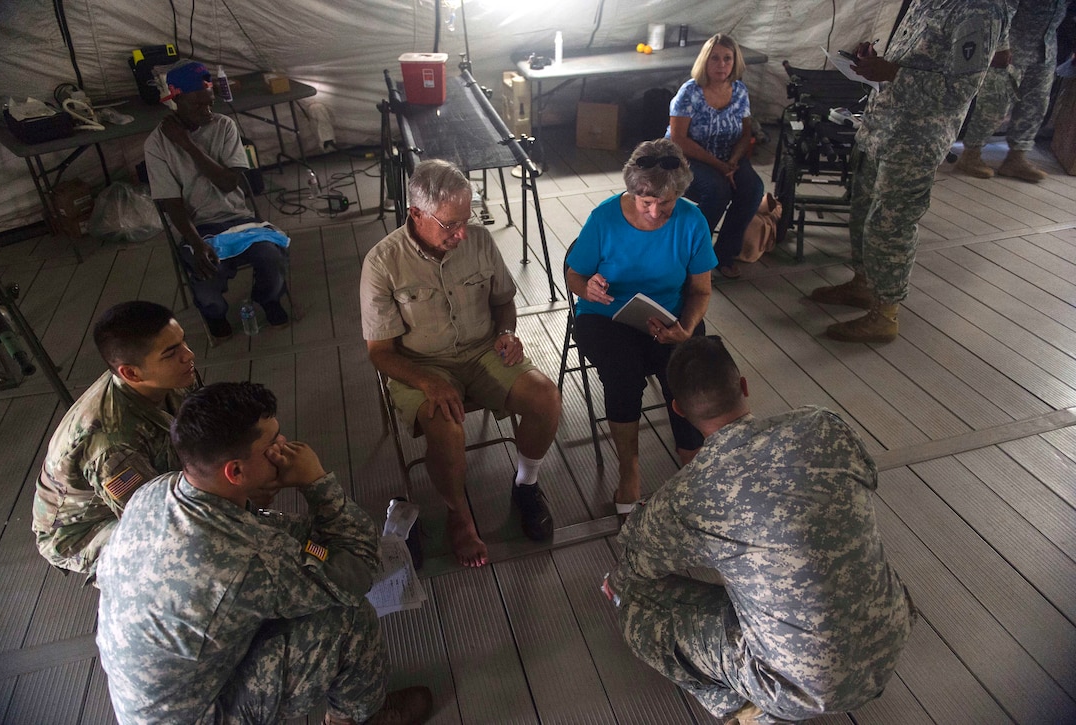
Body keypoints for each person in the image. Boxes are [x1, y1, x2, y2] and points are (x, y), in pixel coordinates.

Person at [604, 336, 915, 723]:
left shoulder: (690, 492)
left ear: (678, 409)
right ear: (745, 385)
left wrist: (620, 583)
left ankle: (748, 711)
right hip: (892, 635)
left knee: (635, 606)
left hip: (800, 687)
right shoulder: (822, 425)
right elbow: (868, 478)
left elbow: (638, 558)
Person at [95, 382, 432, 725]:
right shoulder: (251, 563)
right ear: (235, 471)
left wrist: (257, 501)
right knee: (348, 615)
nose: (285, 446)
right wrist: (317, 482)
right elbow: (357, 570)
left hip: (158, 694)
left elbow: (278, 535)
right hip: (201, 715)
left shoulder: (155, 491)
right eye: (273, 443)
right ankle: (358, 719)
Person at [360, 159, 561, 568]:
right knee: (447, 428)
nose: (461, 234)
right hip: (419, 363)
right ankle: (459, 513)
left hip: (483, 350)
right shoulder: (382, 263)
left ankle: (525, 484)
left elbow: (503, 301)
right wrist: (428, 382)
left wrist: (506, 333)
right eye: (450, 225)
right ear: (416, 214)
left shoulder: (480, 242)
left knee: (546, 398)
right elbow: (380, 352)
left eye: (465, 221)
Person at [809, 0, 1009, 343]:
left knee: (891, 223)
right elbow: (918, 57)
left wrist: (892, 73)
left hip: (917, 138)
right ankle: (863, 285)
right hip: (884, 124)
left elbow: (959, 91)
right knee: (862, 211)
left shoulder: (978, 11)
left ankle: (885, 314)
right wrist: (874, 63)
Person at [566, 138, 715, 518]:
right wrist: (589, 288)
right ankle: (629, 468)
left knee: (684, 370)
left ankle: (692, 460)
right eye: (644, 201)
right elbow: (575, 274)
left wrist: (686, 326)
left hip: (668, 314)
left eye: (663, 204)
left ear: (678, 194)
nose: (652, 211)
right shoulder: (604, 218)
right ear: (632, 191)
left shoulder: (691, 220)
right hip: (606, 315)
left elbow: (700, 289)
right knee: (623, 373)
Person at [32, 300, 198, 580]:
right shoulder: (111, 444)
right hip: (85, 528)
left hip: (146, 471)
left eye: (183, 342)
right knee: (181, 555)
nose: (188, 355)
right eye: (171, 353)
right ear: (131, 373)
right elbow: (153, 522)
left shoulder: (168, 377)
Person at [145, 59, 289, 342]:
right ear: (176, 101)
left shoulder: (224, 126)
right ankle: (215, 313)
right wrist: (197, 242)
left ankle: (268, 299)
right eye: (198, 105)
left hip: (239, 217)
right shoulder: (157, 144)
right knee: (208, 273)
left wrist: (187, 144)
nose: (207, 111)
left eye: (210, 102)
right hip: (198, 227)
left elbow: (228, 182)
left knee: (271, 255)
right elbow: (172, 204)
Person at [668, 33, 765, 279]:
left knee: (753, 188)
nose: (721, 65)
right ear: (705, 62)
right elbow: (679, 139)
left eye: (727, 59)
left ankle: (724, 254)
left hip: (727, 156)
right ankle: (692, 256)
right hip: (688, 158)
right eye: (715, 59)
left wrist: (732, 163)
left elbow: (745, 135)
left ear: (735, 62)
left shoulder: (740, 91)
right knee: (718, 190)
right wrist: (720, 167)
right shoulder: (689, 92)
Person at [955, 0, 1069, 182]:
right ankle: (970, 155)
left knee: (1035, 106)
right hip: (1010, 49)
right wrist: (1001, 47)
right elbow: (1001, 10)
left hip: (1045, 49)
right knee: (995, 104)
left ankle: (1016, 159)